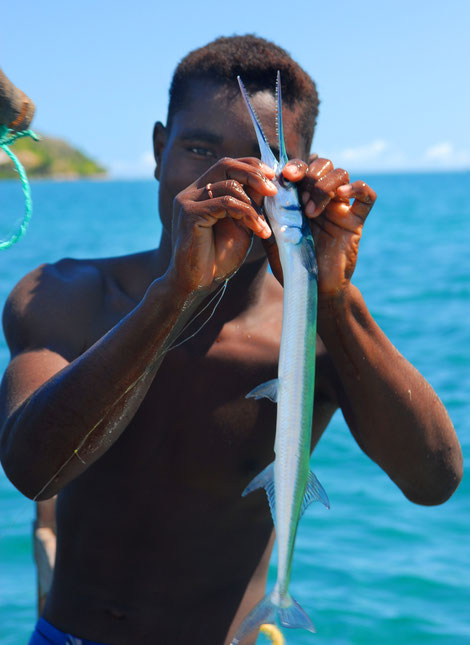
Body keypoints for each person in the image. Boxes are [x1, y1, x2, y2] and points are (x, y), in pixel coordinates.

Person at [0, 35, 462, 645]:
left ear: (301, 176)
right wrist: (174, 295)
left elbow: (434, 482)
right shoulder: (68, 294)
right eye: (199, 149)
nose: (234, 179)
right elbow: (34, 471)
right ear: (159, 148)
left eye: (265, 162)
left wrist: (334, 299)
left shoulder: (324, 337)